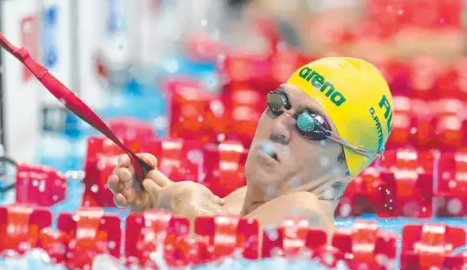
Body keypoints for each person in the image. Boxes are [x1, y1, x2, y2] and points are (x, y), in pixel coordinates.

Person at [108, 57, 393, 233]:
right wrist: (154, 205)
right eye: (279, 103)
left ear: (346, 166)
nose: (280, 127)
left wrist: (189, 212)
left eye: (311, 125)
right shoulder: (243, 199)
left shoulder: (305, 215)